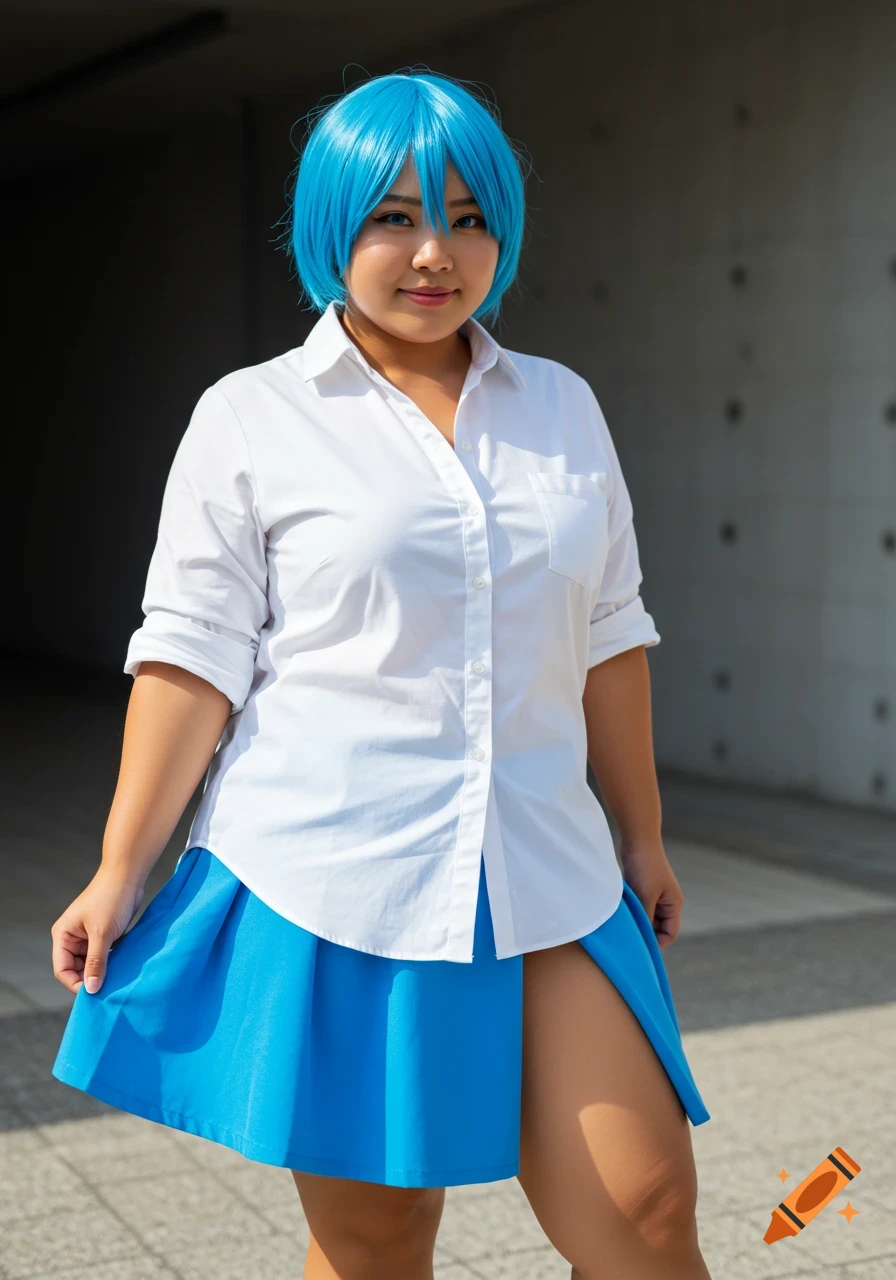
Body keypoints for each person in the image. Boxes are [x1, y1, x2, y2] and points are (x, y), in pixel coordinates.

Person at [50, 67, 712, 1280]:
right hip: (340, 877)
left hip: (548, 872)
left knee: (646, 1207)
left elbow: (608, 634)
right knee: (378, 1237)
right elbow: (190, 658)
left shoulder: (560, 407)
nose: (434, 252)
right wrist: (118, 867)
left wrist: (644, 834)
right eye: (392, 217)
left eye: (467, 215)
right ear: (329, 228)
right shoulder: (251, 416)